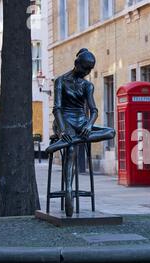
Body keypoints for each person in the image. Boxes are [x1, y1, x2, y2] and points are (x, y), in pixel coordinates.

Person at [46, 48, 115, 216]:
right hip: (64, 121)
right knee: (70, 150)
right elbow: (57, 109)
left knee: (111, 131)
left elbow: (94, 110)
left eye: (90, 69)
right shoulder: (61, 81)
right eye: (85, 68)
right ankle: (69, 189)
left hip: (82, 122)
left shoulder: (87, 85)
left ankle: (73, 140)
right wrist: (62, 131)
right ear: (76, 64)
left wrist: (90, 125)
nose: (87, 72)